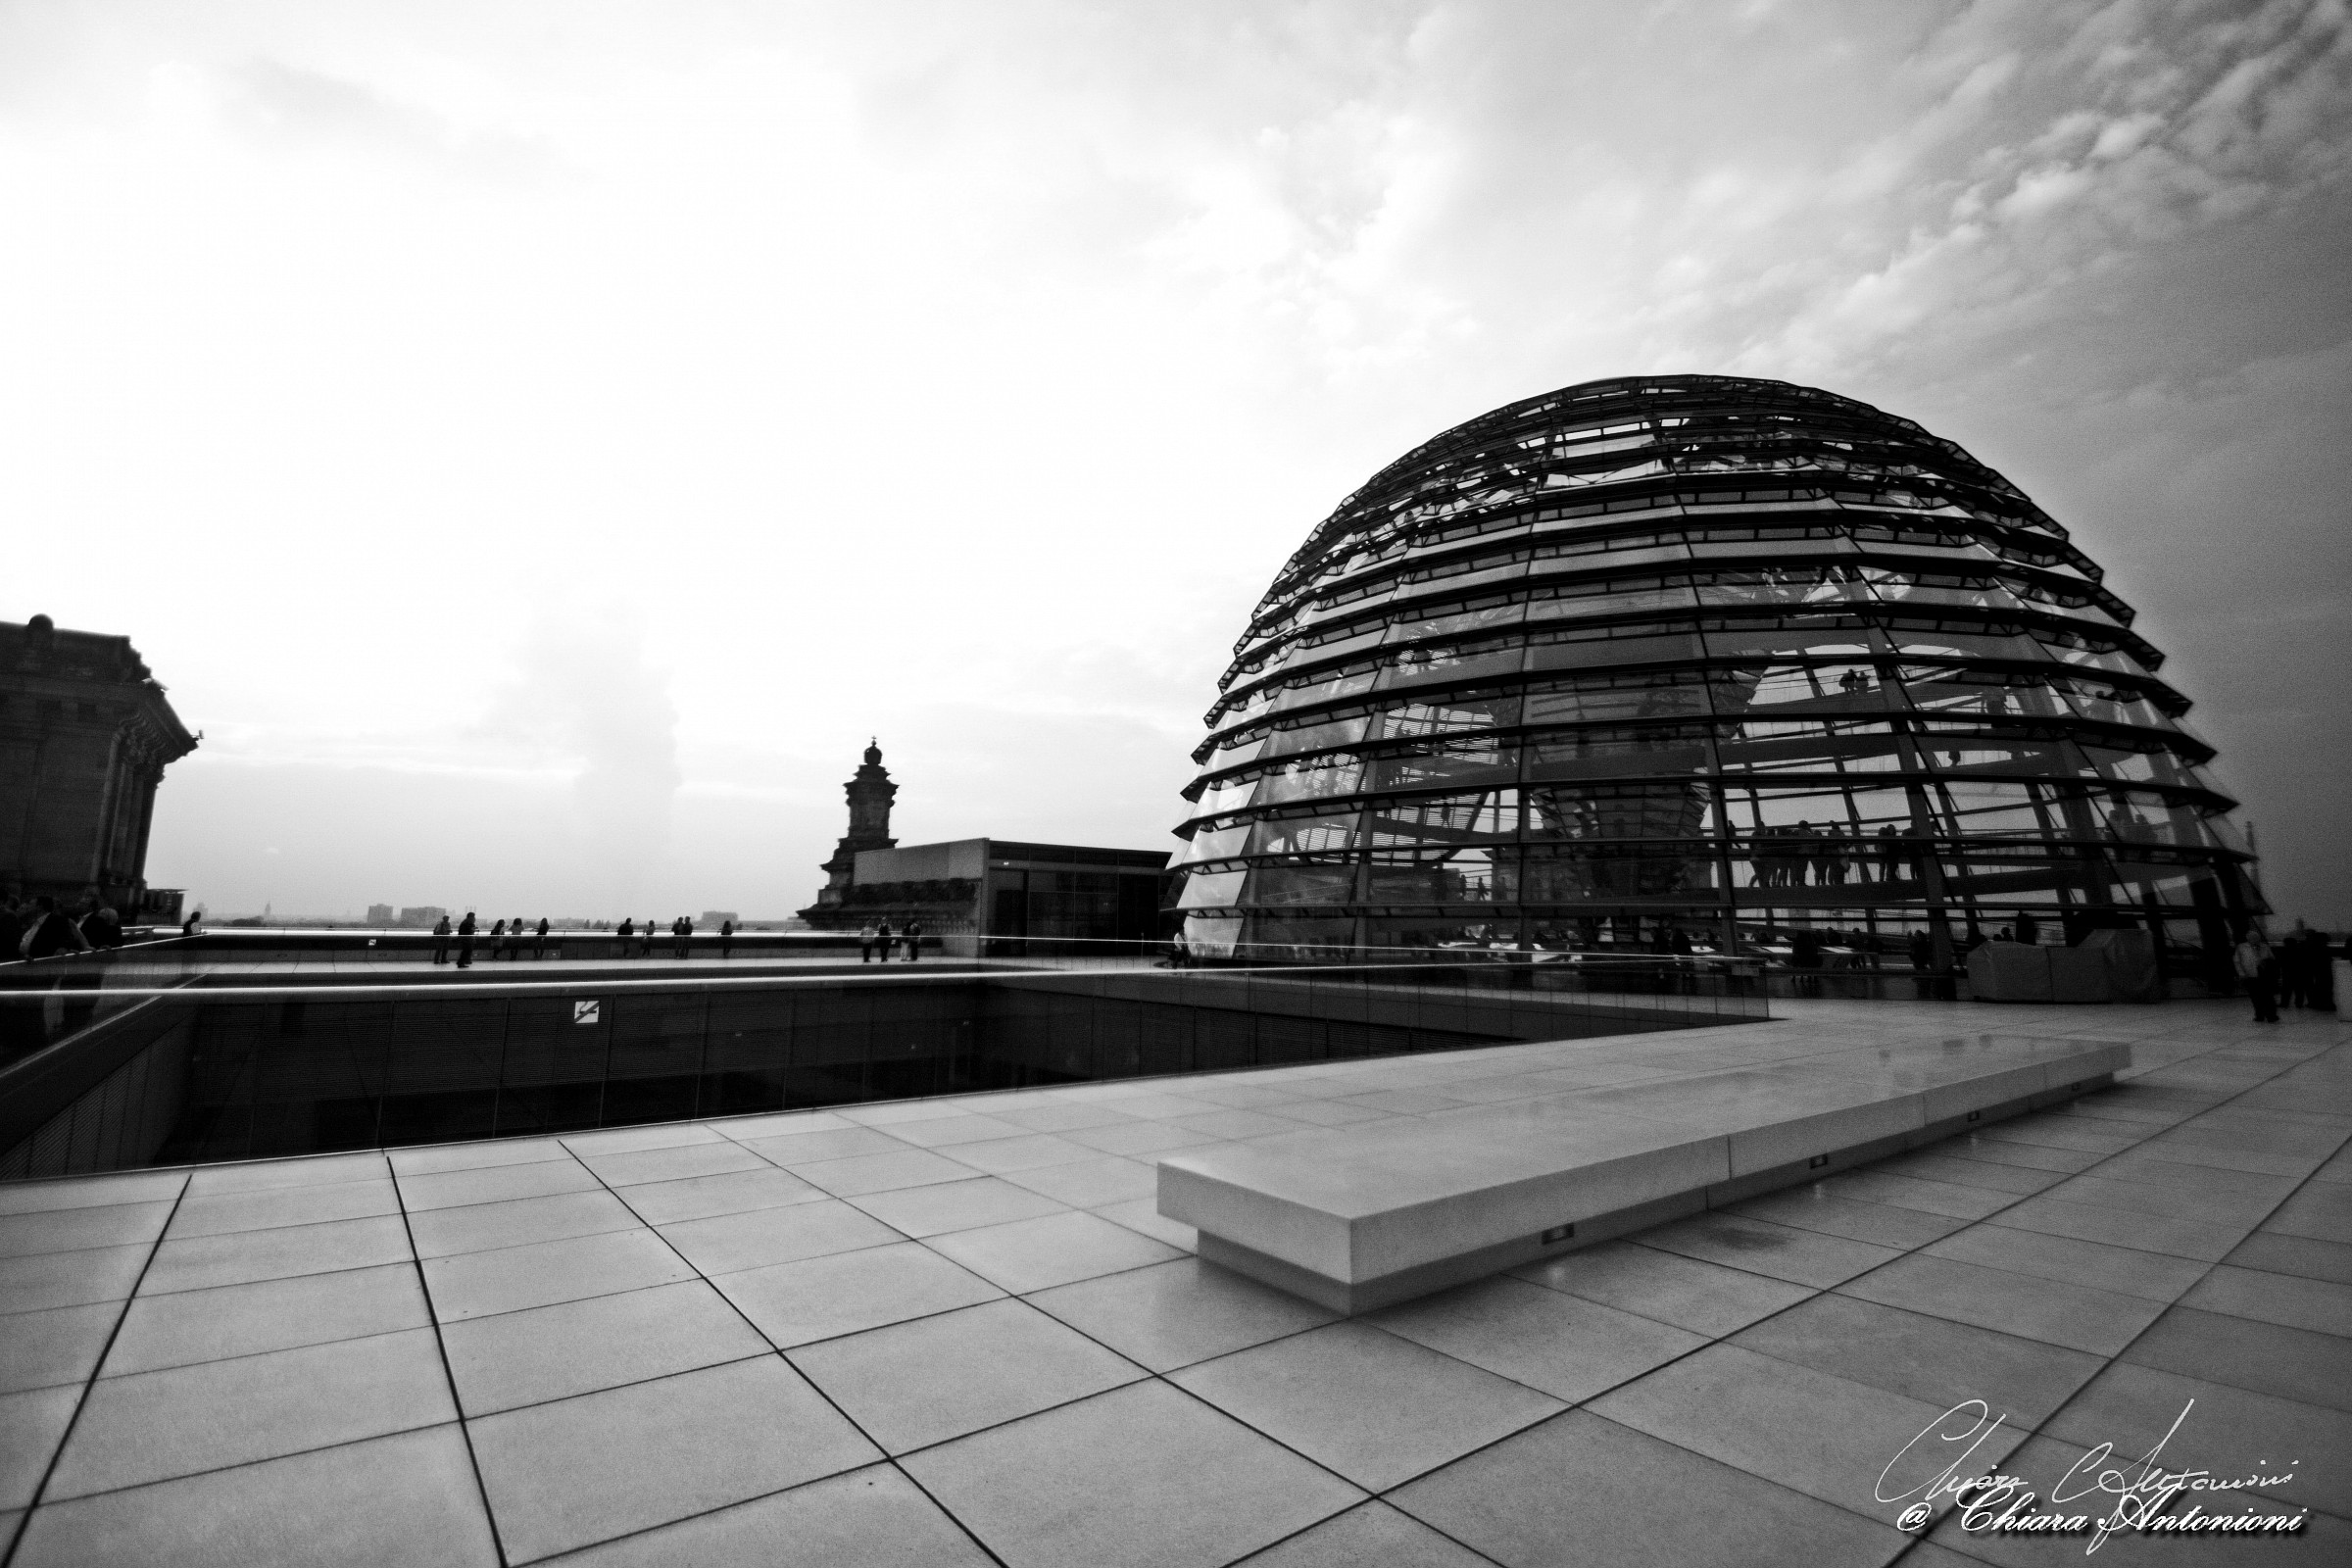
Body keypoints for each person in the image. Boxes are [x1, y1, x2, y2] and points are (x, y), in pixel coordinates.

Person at [21, 897, 90, 960]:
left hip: (43, 962)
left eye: (30, 904)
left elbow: (72, 937)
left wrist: (64, 947)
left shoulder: (60, 920)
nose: (28, 906)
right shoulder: (33, 921)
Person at [2234, 930, 2278, 1023]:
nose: (2255, 940)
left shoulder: (2264, 946)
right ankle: (2260, 1015)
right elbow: (2237, 961)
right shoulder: (2241, 947)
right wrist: (2241, 973)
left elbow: (2272, 959)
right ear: (2248, 939)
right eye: (2252, 938)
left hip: (2264, 976)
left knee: (2268, 996)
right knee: (2255, 997)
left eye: (2256, 938)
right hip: (2250, 976)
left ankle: (2271, 1015)